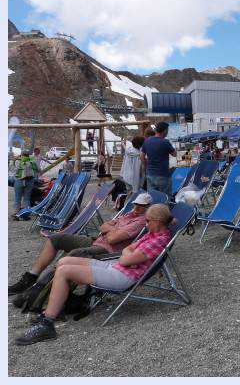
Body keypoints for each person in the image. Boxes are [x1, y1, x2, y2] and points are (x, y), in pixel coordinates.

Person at [14, 203, 173, 345]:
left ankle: (47, 323)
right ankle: (54, 306)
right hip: (115, 267)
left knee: (64, 271)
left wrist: (127, 254)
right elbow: (127, 251)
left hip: (122, 277)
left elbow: (126, 258)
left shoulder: (158, 240)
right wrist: (128, 253)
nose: (145, 223)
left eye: (148, 220)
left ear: (157, 221)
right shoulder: (151, 234)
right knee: (64, 262)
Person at [9, 193, 152, 297]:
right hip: (96, 240)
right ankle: (31, 277)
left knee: (75, 255)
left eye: (142, 206)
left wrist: (110, 229)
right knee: (55, 239)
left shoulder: (139, 222)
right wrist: (111, 230)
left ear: (148, 208)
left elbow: (113, 239)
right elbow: (102, 227)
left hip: (107, 249)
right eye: (136, 205)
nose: (137, 208)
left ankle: (42, 291)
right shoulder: (127, 215)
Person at [140, 122, 176, 196]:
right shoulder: (165, 142)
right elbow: (174, 154)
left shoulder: (147, 141)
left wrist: (146, 165)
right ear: (165, 131)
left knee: (153, 198)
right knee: (165, 198)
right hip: (163, 175)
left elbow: (141, 156)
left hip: (150, 175)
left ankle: (154, 208)